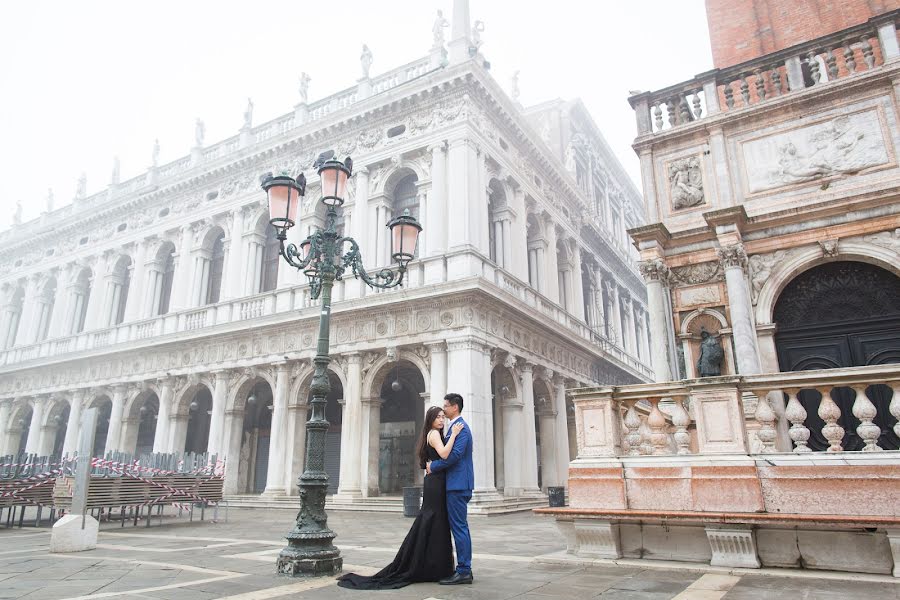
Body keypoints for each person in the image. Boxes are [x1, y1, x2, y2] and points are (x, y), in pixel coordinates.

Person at [337, 406, 464, 589]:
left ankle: (431, 564)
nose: (442, 420)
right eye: (438, 417)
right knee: (435, 522)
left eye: (443, 417)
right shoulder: (434, 434)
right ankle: (434, 566)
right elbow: (444, 454)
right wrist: (454, 435)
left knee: (434, 522)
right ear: (430, 419)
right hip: (436, 484)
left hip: (435, 482)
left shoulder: (432, 433)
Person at [427, 392, 474, 585]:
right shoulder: (453, 428)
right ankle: (462, 568)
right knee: (459, 526)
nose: (443, 409)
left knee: (459, 527)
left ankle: (464, 570)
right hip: (455, 484)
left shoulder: (460, 428)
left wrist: (433, 467)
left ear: (455, 407)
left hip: (458, 485)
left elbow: (454, 456)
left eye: (445, 406)